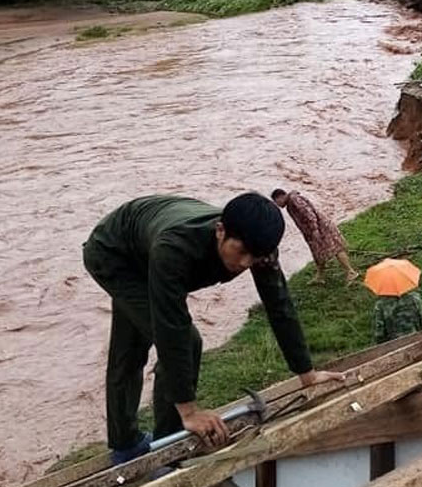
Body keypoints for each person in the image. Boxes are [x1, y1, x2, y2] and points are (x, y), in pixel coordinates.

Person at [83, 194, 344, 464]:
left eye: (254, 257)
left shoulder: (259, 249)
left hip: (147, 240)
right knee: (176, 343)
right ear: (220, 230)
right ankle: (161, 449)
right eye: (241, 252)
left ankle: (138, 446)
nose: (246, 263)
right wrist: (189, 411)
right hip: (115, 254)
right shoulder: (175, 249)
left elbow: (280, 306)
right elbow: (171, 329)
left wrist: (307, 373)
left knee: (139, 345)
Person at [270, 189, 360, 285]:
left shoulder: (294, 200)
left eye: (276, 202)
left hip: (320, 228)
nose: (278, 205)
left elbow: (310, 215)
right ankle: (320, 276)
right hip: (313, 231)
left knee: (335, 248)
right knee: (318, 253)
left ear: (280, 197)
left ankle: (351, 272)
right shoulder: (290, 204)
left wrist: (315, 230)